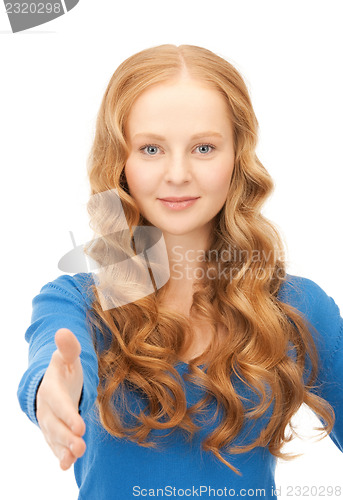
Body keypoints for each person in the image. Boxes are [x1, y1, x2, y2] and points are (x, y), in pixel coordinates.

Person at [17, 44, 343, 499]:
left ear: (238, 157)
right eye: (150, 148)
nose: (177, 173)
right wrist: (55, 395)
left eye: (204, 148)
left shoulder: (295, 305)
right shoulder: (77, 302)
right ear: (122, 163)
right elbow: (54, 372)